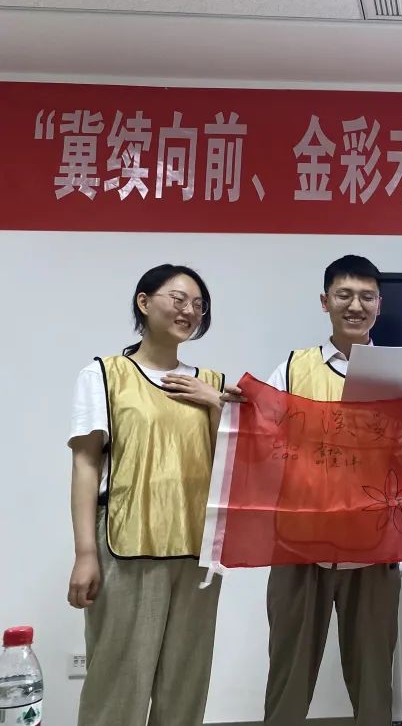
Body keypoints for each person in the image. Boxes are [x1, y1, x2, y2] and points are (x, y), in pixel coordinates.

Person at [67, 263, 238, 726]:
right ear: (144, 302)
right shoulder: (106, 374)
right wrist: (85, 554)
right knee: (117, 682)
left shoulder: (214, 385)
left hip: (197, 554)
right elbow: (86, 464)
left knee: (185, 684)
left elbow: (244, 462)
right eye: (178, 299)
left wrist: (216, 403)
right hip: (126, 548)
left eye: (198, 305)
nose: (189, 311)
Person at [263, 254, 400, 725]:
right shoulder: (292, 367)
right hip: (300, 547)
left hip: (374, 548)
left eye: (366, 297)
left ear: (379, 304)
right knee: (288, 676)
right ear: (325, 302)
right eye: (344, 295)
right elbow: (261, 436)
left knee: (374, 680)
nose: (355, 306)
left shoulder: (399, 373)